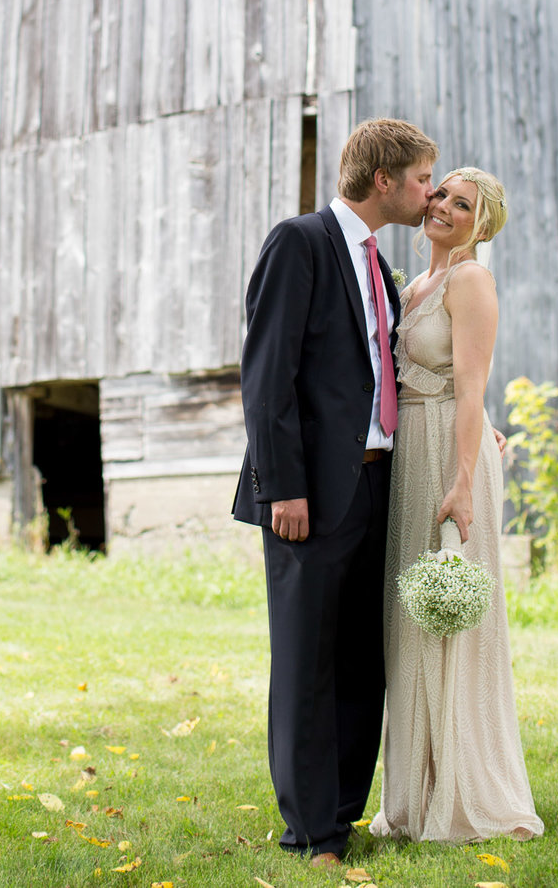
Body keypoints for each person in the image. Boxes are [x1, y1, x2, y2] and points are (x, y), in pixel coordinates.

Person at [232, 117, 439, 866]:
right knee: (307, 660)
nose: (428, 191)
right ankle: (310, 832)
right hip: (308, 497)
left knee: (362, 659)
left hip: (377, 485)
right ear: (383, 180)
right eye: (420, 178)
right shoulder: (301, 242)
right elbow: (267, 377)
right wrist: (282, 486)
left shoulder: (379, 267)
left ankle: (343, 816)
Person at [370, 167, 544, 843]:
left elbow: (470, 388)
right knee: (412, 621)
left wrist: (463, 479)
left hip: (450, 454)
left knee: (452, 621)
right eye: (439, 192)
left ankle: (469, 794)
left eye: (460, 203)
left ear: (482, 224)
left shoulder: (471, 280)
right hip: (409, 452)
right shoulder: (414, 286)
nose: (441, 204)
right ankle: (414, 795)